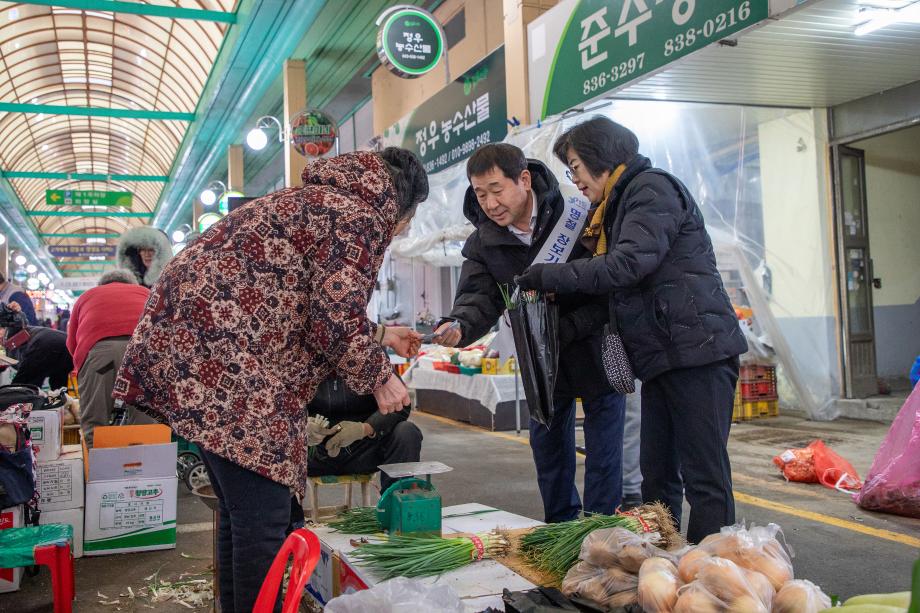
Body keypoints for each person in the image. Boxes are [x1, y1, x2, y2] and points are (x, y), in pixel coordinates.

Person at [112, 149, 428, 613]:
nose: (403, 228)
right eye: (409, 218)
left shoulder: (318, 201)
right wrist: (381, 377)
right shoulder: (356, 215)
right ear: (399, 201)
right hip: (227, 359)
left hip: (200, 350)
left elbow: (302, 298)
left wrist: (381, 334)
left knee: (244, 515)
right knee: (264, 518)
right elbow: (333, 316)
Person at [516, 117, 748, 543]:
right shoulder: (616, 206)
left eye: (575, 166)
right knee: (657, 477)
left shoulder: (650, 188)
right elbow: (622, 294)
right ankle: (667, 564)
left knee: (703, 476)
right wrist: (569, 324)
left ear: (599, 158)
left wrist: (550, 276)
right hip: (664, 357)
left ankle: (711, 578)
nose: (575, 180)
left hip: (697, 353)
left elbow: (627, 266)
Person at [431, 143, 626, 522]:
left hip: (596, 346)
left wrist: (567, 326)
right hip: (541, 358)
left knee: (606, 450)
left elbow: (608, 286)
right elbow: (477, 297)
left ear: (523, 179)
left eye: (496, 189)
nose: (489, 203)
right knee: (549, 450)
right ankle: (561, 528)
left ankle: (603, 533)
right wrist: (459, 324)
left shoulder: (578, 215)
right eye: (480, 193)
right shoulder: (484, 242)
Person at [65, 269, 154, 446]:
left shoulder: (87, 296)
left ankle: (96, 470)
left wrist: (82, 369)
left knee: (95, 423)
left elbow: (71, 342)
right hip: (142, 351)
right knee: (145, 424)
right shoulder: (145, 292)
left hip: (100, 353)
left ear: (101, 286)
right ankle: (143, 469)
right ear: (131, 284)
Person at [307, 376, 422, 492]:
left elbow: (401, 403)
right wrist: (302, 426)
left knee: (407, 432)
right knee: (288, 443)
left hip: (364, 451)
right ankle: (291, 508)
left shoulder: (374, 362)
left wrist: (365, 428)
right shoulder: (299, 363)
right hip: (316, 454)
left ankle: (395, 501)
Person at [1, 301, 73, 389]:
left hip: (45, 345)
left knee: (21, 389)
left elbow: (22, 382)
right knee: (59, 390)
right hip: (66, 345)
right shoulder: (20, 332)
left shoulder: (14, 337)